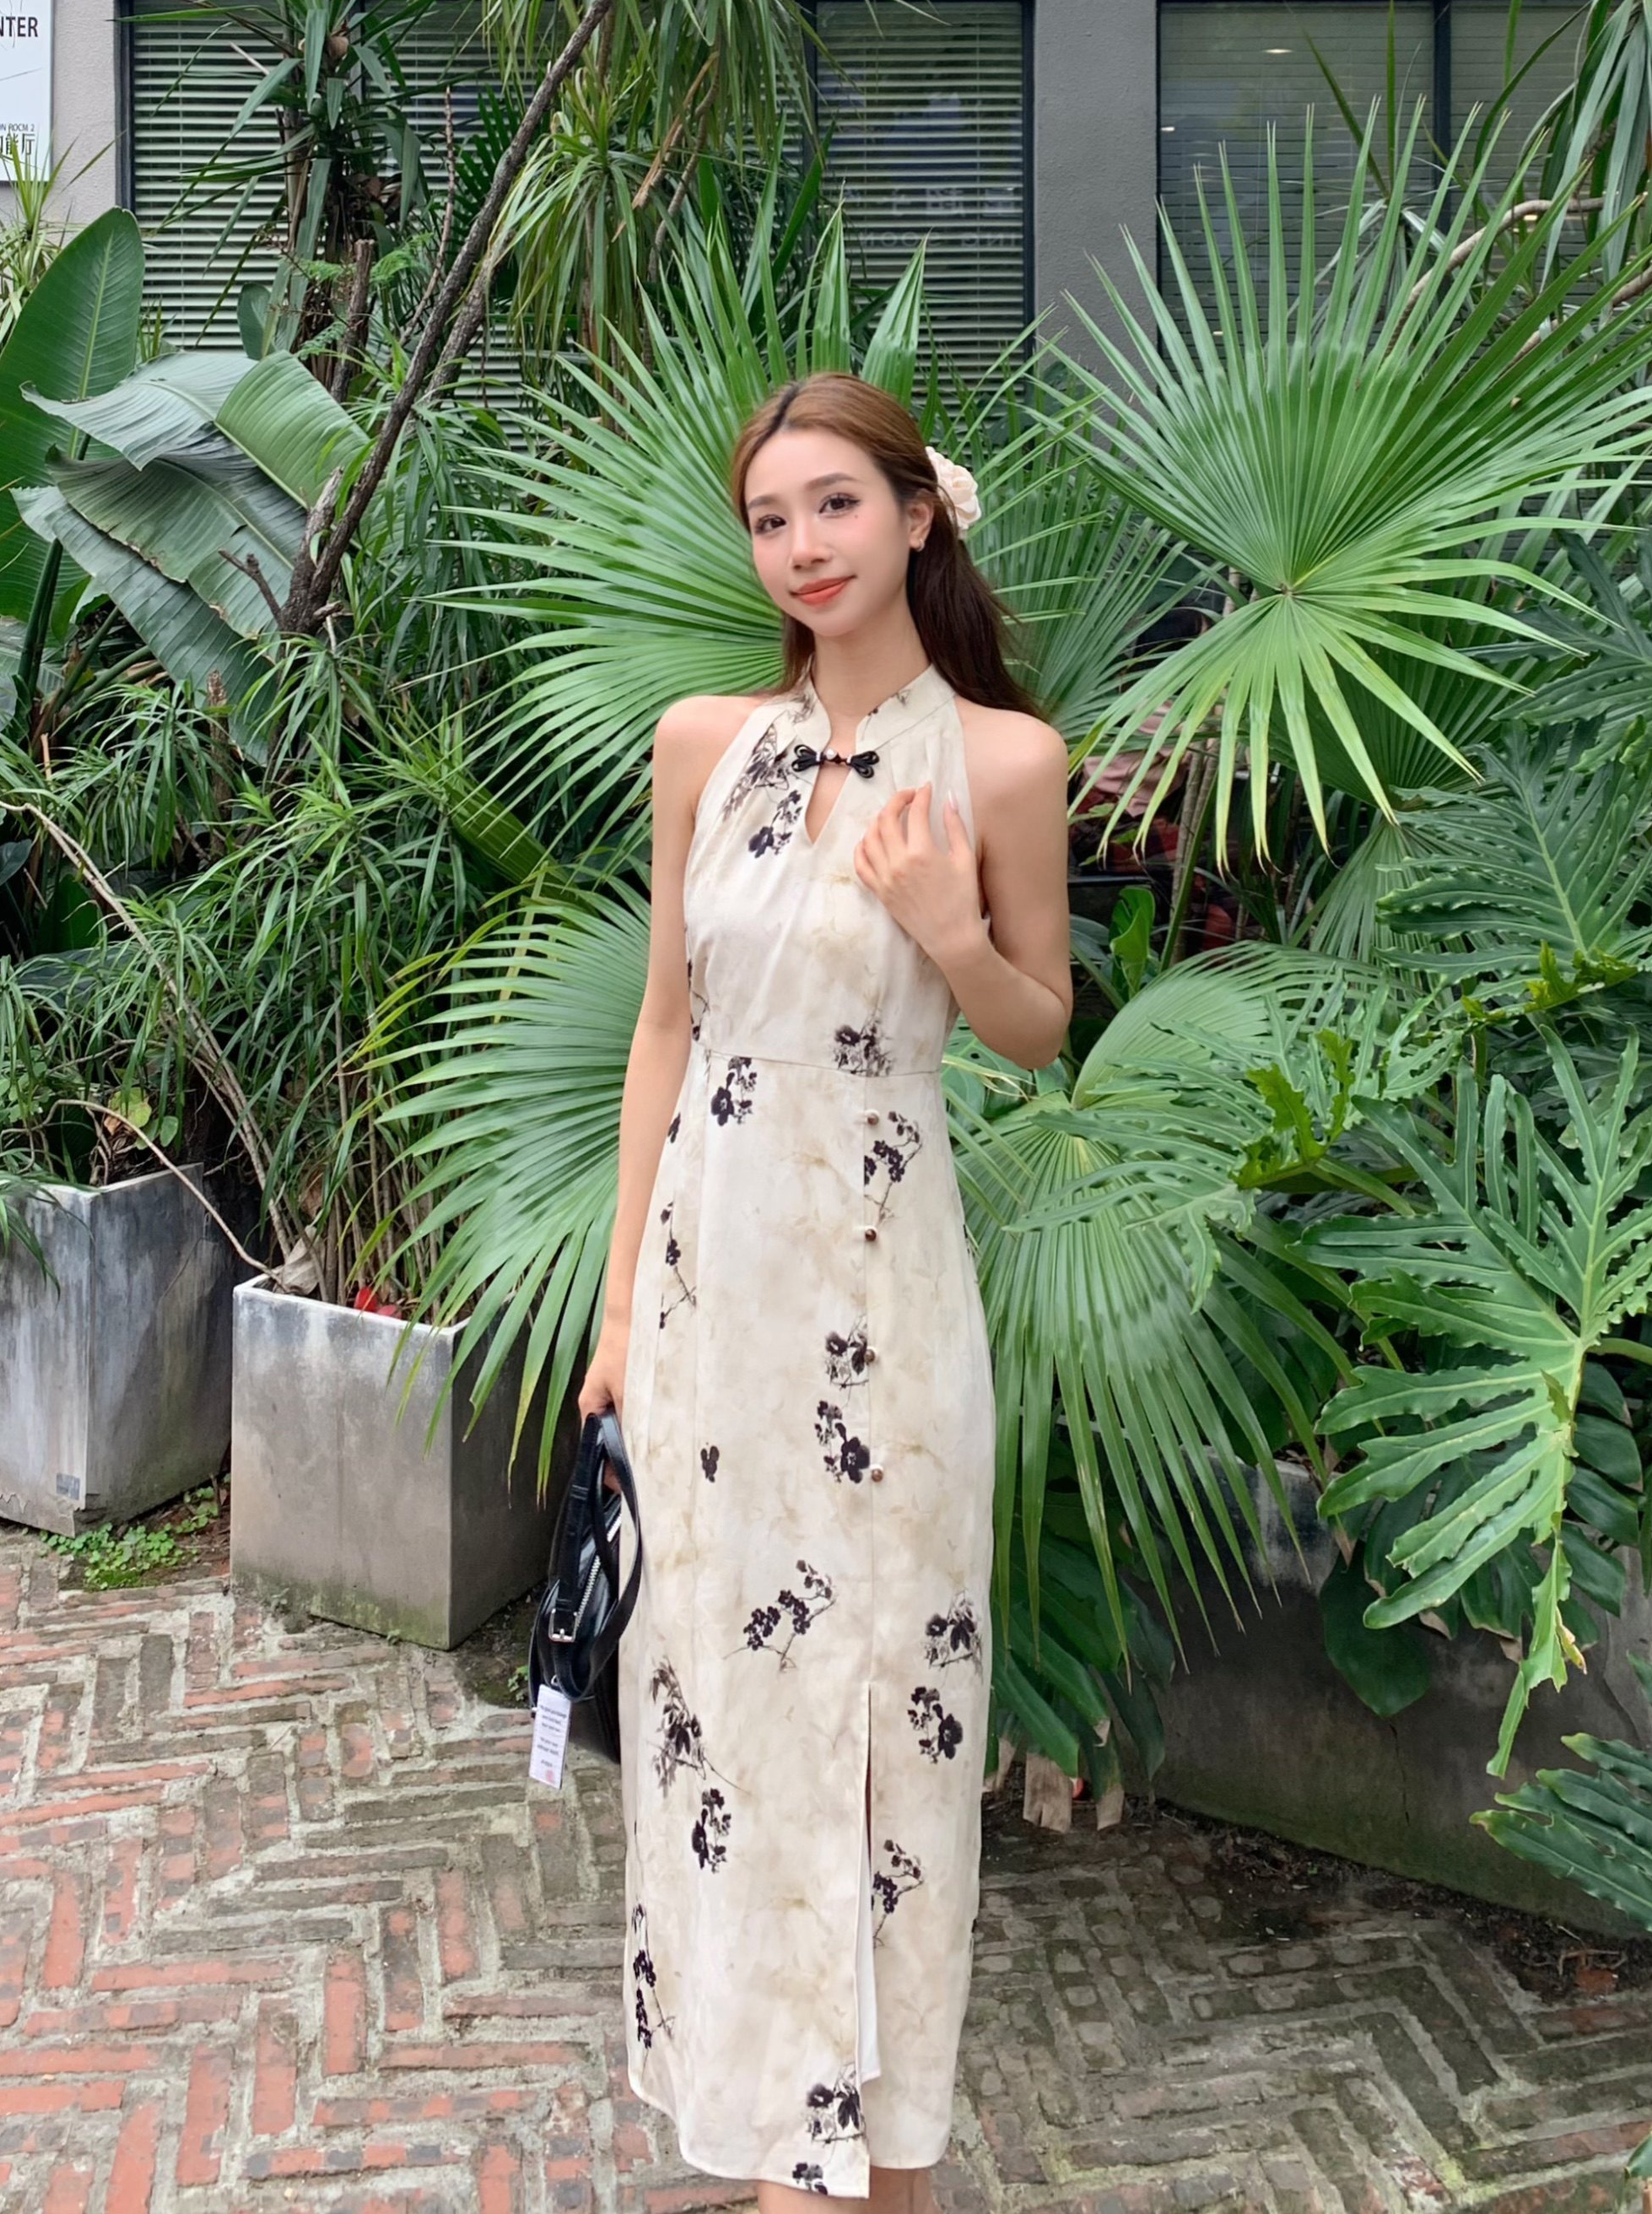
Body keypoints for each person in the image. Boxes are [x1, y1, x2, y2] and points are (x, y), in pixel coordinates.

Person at [578, 373, 1072, 2213]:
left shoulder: (1002, 762)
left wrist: (950, 926)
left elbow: (1036, 1029)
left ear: (916, 514)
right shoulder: (702, 744)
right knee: (723, 1709)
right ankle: (778, 2136)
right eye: (770, 519)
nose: (801, 546)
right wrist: (616, 1317)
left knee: (879, 1730)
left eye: (835, 505)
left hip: (884, 1316)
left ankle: (869, 2162)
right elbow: (662, 1031)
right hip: (709, 1311)